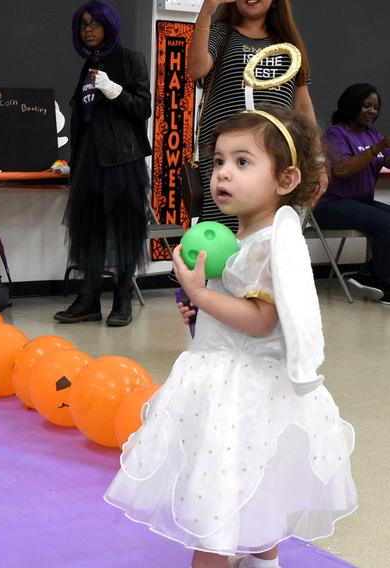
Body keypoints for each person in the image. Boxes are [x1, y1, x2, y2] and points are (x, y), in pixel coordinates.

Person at [105, 106, 357, 568]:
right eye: (218, 161)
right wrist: (201, 308)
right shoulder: (237, 237)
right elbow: (234, 308)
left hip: (244, 389)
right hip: (225, 373)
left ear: (284, 180)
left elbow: (261, 319)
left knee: (218, 493)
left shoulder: (271, 243)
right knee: (250, 483)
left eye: (243, 162)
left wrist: (201, 293)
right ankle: (263, 559)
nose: (223, 173)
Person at [53, 1, 152, 328]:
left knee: (124, 231)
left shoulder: (129, 59)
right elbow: (84, 117)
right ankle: (88, 300)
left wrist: (113, 89)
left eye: (95, 24)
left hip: (123, 161)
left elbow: (142, 107)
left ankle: (122, 300)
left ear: (109, 26)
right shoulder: (88, 66)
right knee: (90, 230)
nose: (88, 30)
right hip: (90, 162)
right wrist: (73, 160)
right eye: (83, 25)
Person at [187, 0, 321, 231]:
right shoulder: (222, 33)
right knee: (222, 223)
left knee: (267, 228)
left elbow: (303, 106)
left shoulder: (288, 44)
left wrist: (317, 162)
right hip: (229, 152)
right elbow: (196, 69)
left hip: (274, 154)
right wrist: (208, 9)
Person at [315, 83, 390, 304]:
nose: (372, 112)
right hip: (331, 206)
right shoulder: (336, 134)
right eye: (366, 106)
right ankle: (378, 280)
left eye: (375, 108)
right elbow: (342, 169)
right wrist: (376, 148)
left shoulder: (373, 134)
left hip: (361, 204)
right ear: (352, 105)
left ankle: (368, 272)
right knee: (385, 222)